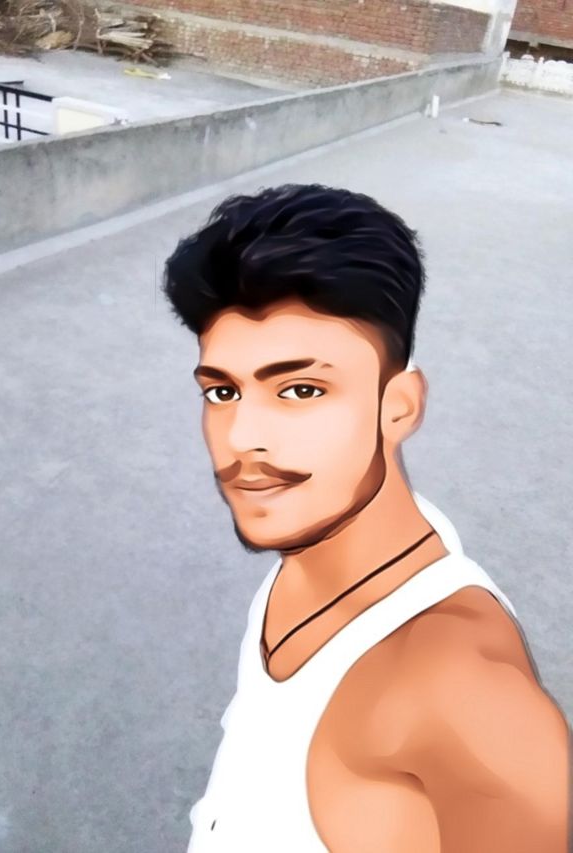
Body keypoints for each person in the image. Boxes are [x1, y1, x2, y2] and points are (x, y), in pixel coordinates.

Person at [162, 183, 570, 852]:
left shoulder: (465, 692)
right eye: (223, 391)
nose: (241, 438)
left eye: (300, 389)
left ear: (399, 406)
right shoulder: (319, 541)